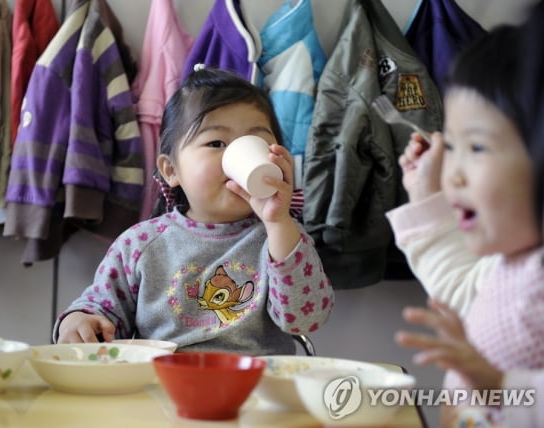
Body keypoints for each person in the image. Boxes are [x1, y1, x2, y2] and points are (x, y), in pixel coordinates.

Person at [54, 67, 335, 355]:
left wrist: (278, 223)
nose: (235, 157)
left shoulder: (282, 238)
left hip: (257, 390)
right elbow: (102, 309)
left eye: (257, 143)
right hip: (162, 387)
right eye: (216, 143)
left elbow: (306, 319)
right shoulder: (140, 244)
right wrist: (80, 320)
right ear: (171, 170)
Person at [385, 23, 544, 427]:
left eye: (476, 147)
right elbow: (461, 288)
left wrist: (493, 381)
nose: (452, 173)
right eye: (451, 146)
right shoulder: (510, 262)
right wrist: (425, 197)